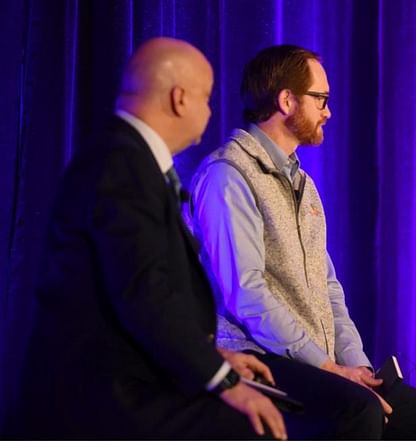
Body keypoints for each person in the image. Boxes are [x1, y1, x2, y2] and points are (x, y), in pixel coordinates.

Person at [10, 37, 286, 439]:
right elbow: (144, 294)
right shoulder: (121, 166)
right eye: (206, 98)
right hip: (99, 393)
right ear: (179, 99)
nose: (210, 112)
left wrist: (213, 355)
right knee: (251, 422)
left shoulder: (127, 158)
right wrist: (222, 380)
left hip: (123, 374)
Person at [189, 44, 416, 440]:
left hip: (315, 361)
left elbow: (328, 287)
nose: (328, 112)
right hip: (257, 358)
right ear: (287, 100)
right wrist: (327, 367)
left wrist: (359, 366)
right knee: (357, 413)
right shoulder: (228, 175)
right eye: (321, 99)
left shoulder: (305, 185)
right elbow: (246, 294)